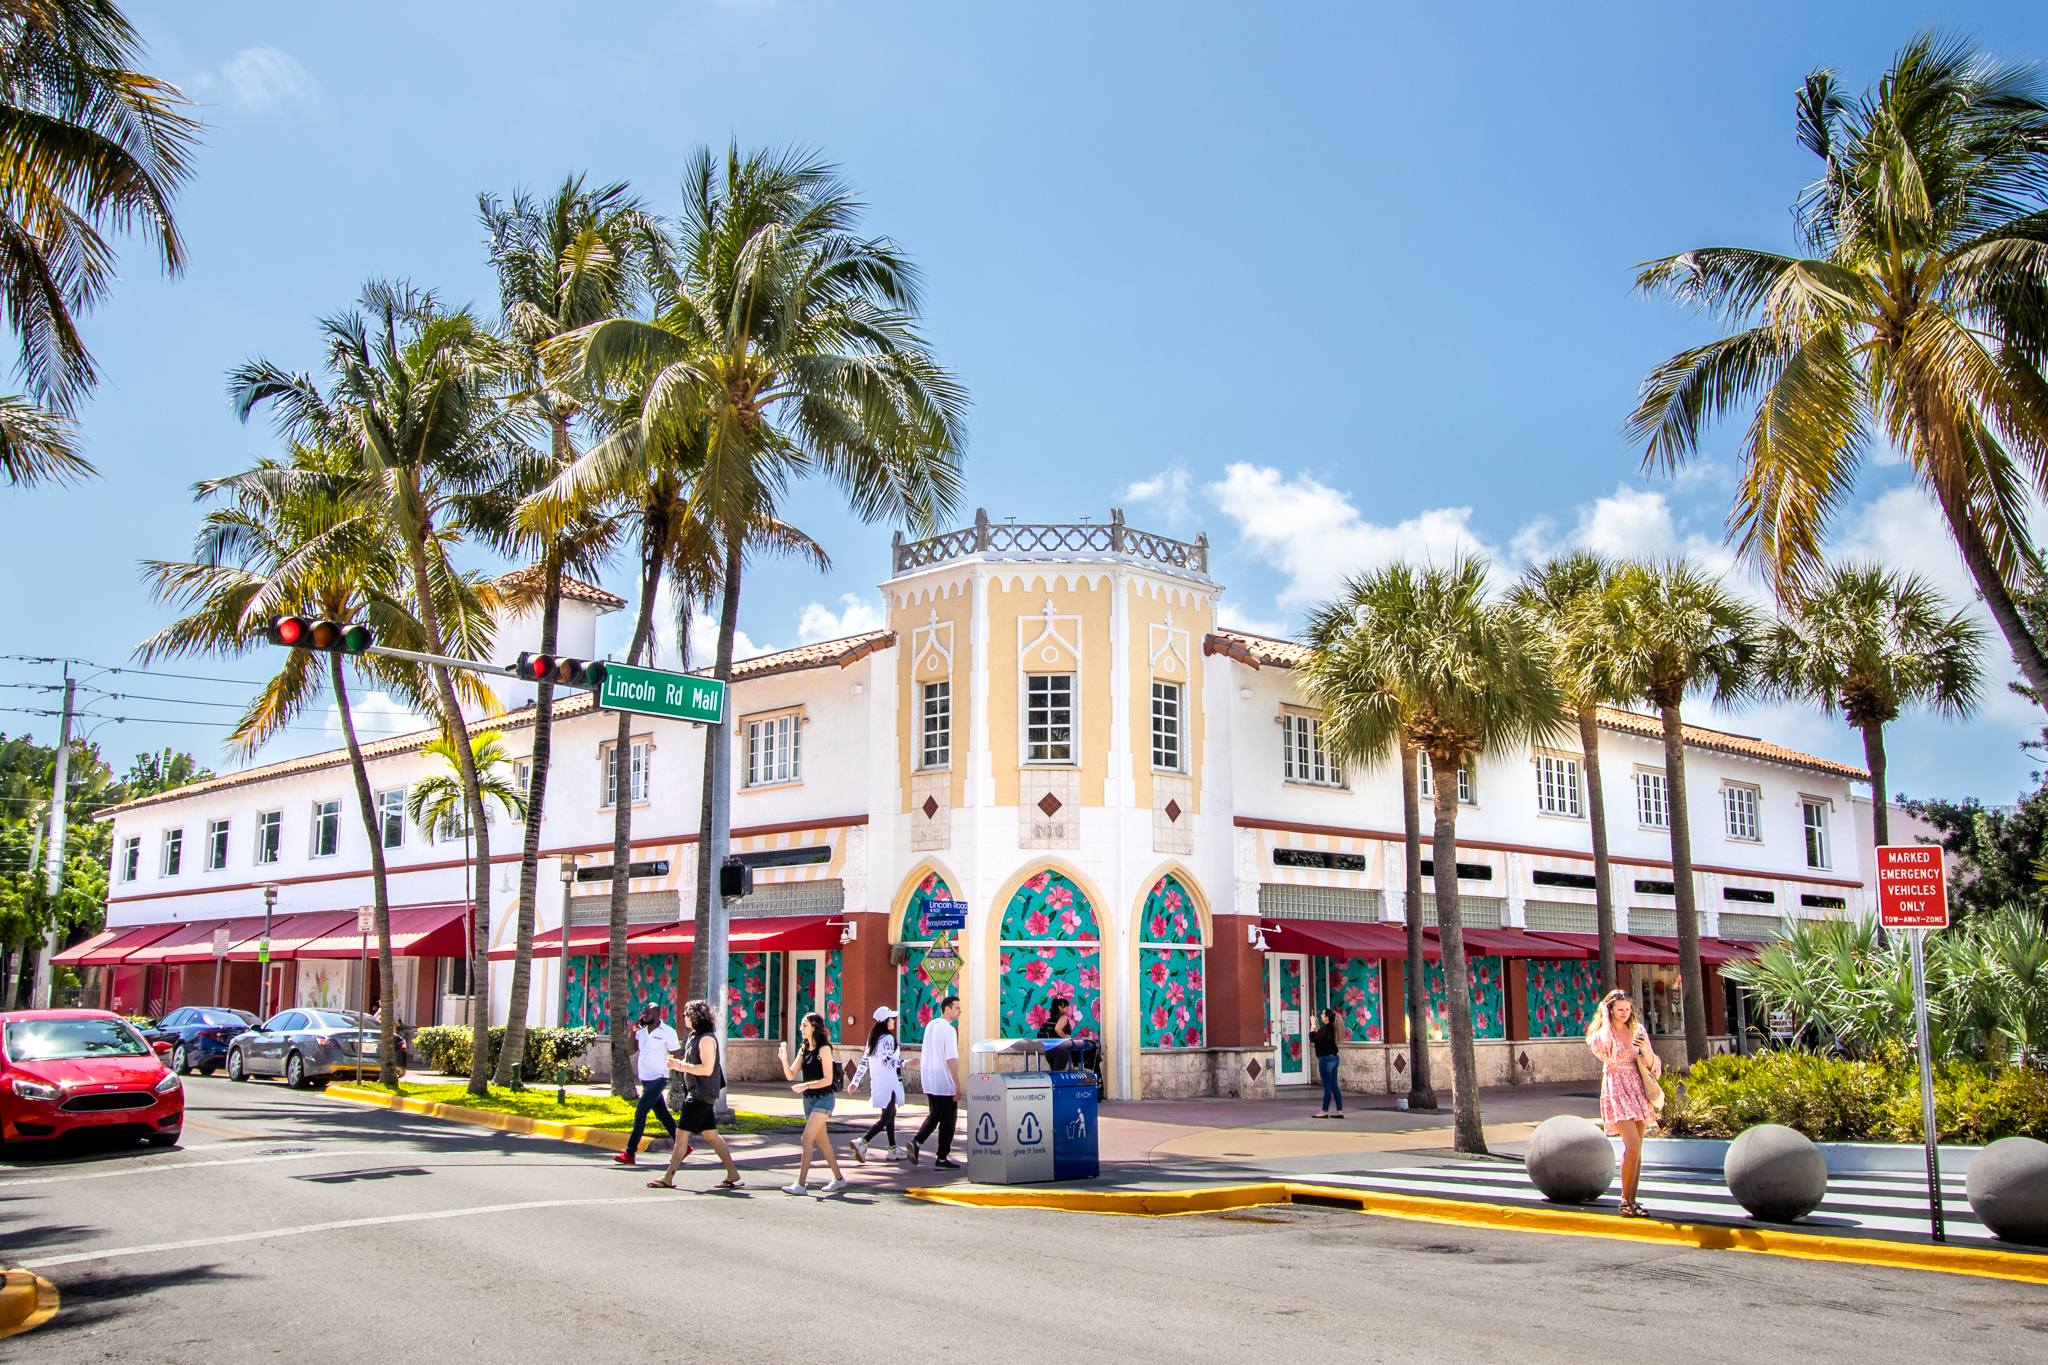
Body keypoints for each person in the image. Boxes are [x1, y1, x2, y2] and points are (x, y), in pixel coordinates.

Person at [647, 998, 743, 1191]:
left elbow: (707, 1069)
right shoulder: (693, 1036)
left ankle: (668, 1177)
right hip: (696, 1092)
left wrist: (680, 1066)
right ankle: (733, 1173)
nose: (684, 1018)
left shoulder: (707, 1039)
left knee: (681, 1135)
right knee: (711, 1135)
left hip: (701, 1094)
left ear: (696, 1017)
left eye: (686, 1015)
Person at [1587, 989, 1662, 1217]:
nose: (1625, 1014)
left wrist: (1645, 1048)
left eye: (1628, 1009)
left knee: (1636, 1150)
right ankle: (1623, 1200)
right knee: (1633, 1146)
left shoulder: (1638, 1030)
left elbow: (1652, 1065)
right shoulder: (1602, 1033)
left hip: (1638, 1088)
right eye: (1620, 1010)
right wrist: (1605, 1018)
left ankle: (1632, 1200)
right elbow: (1606, 1051)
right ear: (1609, 1010)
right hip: (1616, 1088)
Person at [780, 1012, 846, 1195]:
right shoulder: (803, 1049)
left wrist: (805, 1085)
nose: (801, 1028)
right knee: (823, 1142)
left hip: (824, 1098)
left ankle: (801, 1184)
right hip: (808, 1100)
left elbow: (827, 1079)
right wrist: (784, 1059)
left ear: (815, 1027)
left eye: (804, 1025)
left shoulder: (824, 1049)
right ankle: (839, 1179)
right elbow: (790, 1075)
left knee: (806, 1138)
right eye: (801, 1025)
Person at [614, 1003, 679, 1167]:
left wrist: (678, 1074)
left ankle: (630, 1152)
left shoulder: (668, 1032)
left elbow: (677, 1055)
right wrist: (633, 1032)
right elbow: (630, 1051)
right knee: (663, 1115)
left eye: (647, 1013)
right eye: (643, 1012)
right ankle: (683, 1146)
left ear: (657, 1013)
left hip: (660, 1078)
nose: (644, 1015)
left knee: (641, 1111)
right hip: (645, 1078)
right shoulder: (641, 1033)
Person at [908, 995, 962, 1169]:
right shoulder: (948, 1030)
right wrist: (957, 1085)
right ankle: (941, 1158)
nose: (960, 1011)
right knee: (948, 1121)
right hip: (944, 1081)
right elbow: (951, 1059)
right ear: (947, 1009)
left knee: (935, 1115)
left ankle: (917, 1141)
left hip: (929, 1080)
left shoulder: (930, 1026)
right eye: (957, 1008)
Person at [848, 1005, 906, 1163]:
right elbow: (887, 1061)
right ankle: (863, 1142)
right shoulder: (887, 1039)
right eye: (891, 1018)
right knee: (887, 1117)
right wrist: (906, 1062)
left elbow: (864, 1062)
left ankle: (893, 1148)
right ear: (885, 1021)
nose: (894, 1021)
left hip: (879, 1082)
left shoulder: (873, 1039)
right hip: (889, 1082)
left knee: (889, 1115)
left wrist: (855, 1082)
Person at [1311, 1007, 1343, 1118]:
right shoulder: (1332, 1029)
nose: (1321, 1015)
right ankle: (1340, 1111)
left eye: (1323, 1014)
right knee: (1334, 1085)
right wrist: (1317, 1025)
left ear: (1326, 1018)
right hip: (1334, 1058)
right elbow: (1320, 1036)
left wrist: (1313, 1025)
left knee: (1327, 1087)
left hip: (1326, 1059)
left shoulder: (1326, 1030)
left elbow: (1313, 1037)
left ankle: (1324, 1111)